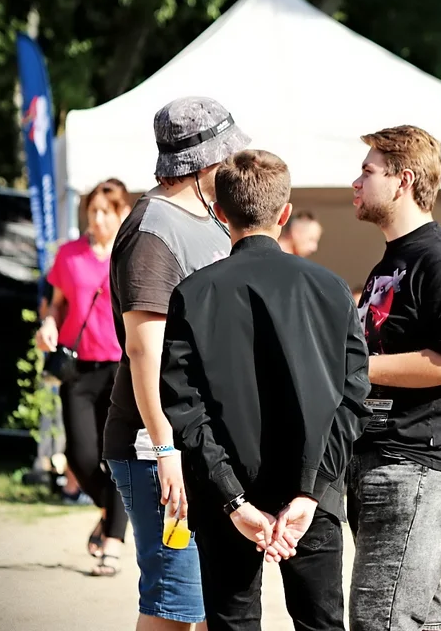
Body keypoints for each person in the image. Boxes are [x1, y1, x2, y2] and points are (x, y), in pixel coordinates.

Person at [158, 150, 371, 631]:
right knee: (322, 625)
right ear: (285, 214)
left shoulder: (193, 294)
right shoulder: (331, 287)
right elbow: (354, 397)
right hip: (310, 490)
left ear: (219, 213)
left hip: (225, 489)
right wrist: (312, 491)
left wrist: (232, 498)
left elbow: (184, 409)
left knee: (232, 624)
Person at [103, 96, 250, 630]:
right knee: (173, 608)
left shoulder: (209, 219)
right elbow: (145, 348)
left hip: (198, 444)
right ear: (206, 162)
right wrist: (164, 447)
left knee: (210, 605)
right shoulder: (151, 229)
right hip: (155, 449)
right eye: (230, 155)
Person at [348, 125, 441, 631]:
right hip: (386, 457)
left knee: (381, 621)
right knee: (417, 619)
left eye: (367, 171)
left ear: (402, 180)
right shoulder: (395, 258)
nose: (355, 183)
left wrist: (354, 370)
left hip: (419, 464)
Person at [36, 178, 131, 575]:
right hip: (79, 367)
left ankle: (112, 542)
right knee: (81, 455)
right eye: (92, 210)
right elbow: (54, 305)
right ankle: (112, 510)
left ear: (122, 212)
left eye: (106, 210)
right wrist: (48, 327)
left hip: (122, 368)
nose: (97, 217)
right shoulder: (70, 255)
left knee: (120, 457)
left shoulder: (131, 253)